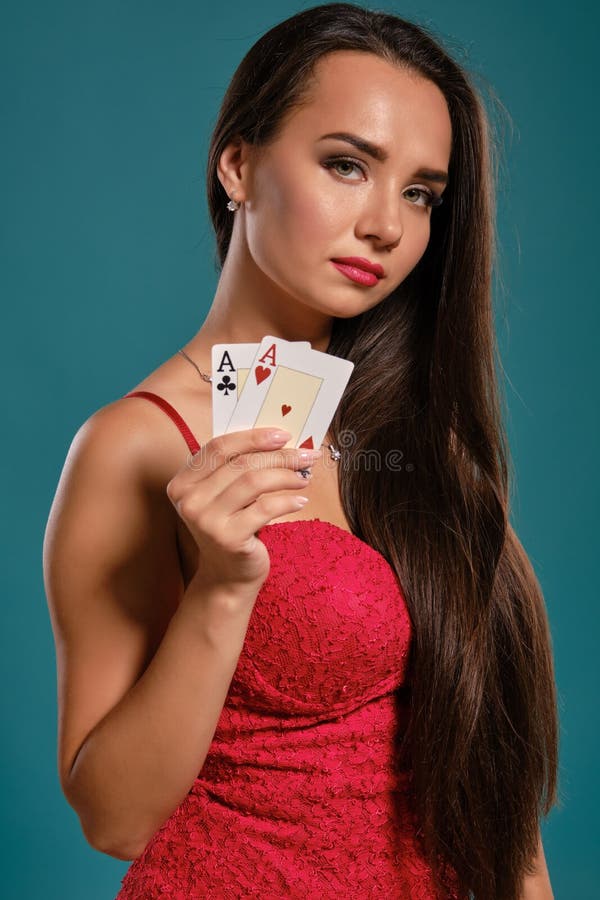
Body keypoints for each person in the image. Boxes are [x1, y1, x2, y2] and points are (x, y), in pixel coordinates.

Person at [42, 3, 559, 898]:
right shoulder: (133, 445)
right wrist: (222, 587)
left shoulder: (423, 448)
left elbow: (499, 798)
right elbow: (113, 819)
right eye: (346, 165)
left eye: (420, 193)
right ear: (237, 165)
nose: (386, 227)